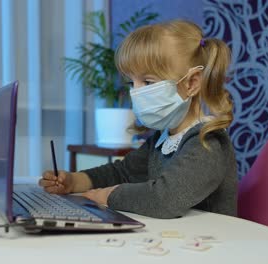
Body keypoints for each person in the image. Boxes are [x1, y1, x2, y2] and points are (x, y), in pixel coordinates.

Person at [39, 20, 237, 219]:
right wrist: (74, 181)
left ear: (191, 83)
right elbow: (123, 172)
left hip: (209, 244)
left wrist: (106, 195)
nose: (136, 92)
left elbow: (165, 199)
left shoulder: (207, 142)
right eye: (132, 82)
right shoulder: (164, 138)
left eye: (148, 81)